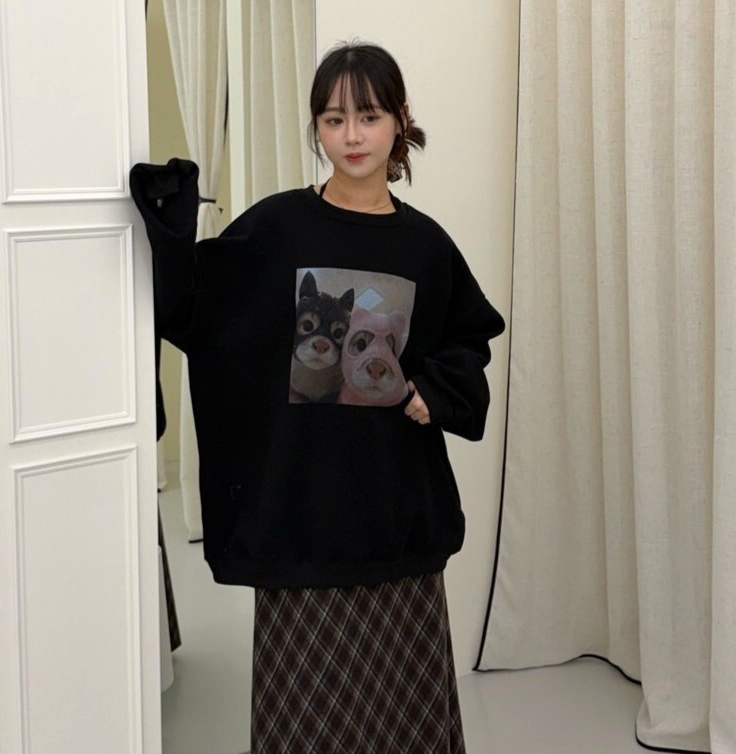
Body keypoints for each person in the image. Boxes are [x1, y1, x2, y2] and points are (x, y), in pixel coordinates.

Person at [131, 41, 504, 754]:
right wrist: (169, 222)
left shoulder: (426, 246)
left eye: (368, 116)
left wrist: (433, 390)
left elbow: (470, 337)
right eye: (334, 120)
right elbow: (197, 309)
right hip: (299, 512)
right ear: (317, 127)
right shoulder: (276, 229)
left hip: (392, 510)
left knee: (402, 711)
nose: (352, 136)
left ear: (399, 120)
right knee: (304, 717)